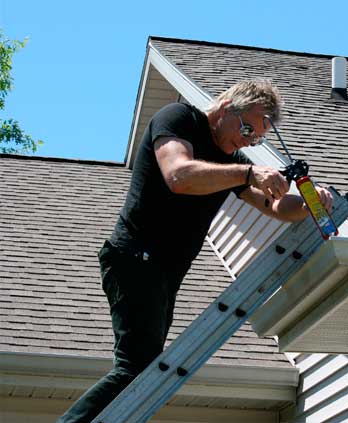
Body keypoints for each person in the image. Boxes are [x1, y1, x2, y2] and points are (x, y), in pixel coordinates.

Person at [57, 80, 332, 422]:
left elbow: (275, 208)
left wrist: (310, 201)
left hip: (162, 275)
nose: (246, 141)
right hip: (135, 258)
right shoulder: (177, 119)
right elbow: (179, 175)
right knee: (135, 370)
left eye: (255, 138)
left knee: (143, 377)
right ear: (227, 105)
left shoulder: (230, 160)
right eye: (247, 128)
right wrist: (248, 172)